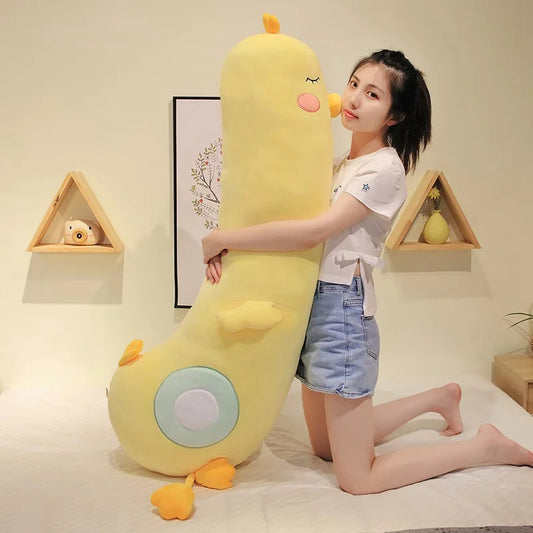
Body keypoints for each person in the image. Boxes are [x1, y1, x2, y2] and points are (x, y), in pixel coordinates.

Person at [202, 49, 533, 494]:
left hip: (341, 310)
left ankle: (482, 447)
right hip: (313, 304)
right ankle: (439, 398)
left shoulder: (384, 169)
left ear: (394, 115)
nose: (355, 98)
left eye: (373, 94)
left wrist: (224, 238)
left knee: (358, 479)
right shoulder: (343, 164)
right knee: (324, 448)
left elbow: (315, 232)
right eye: (354, 84)